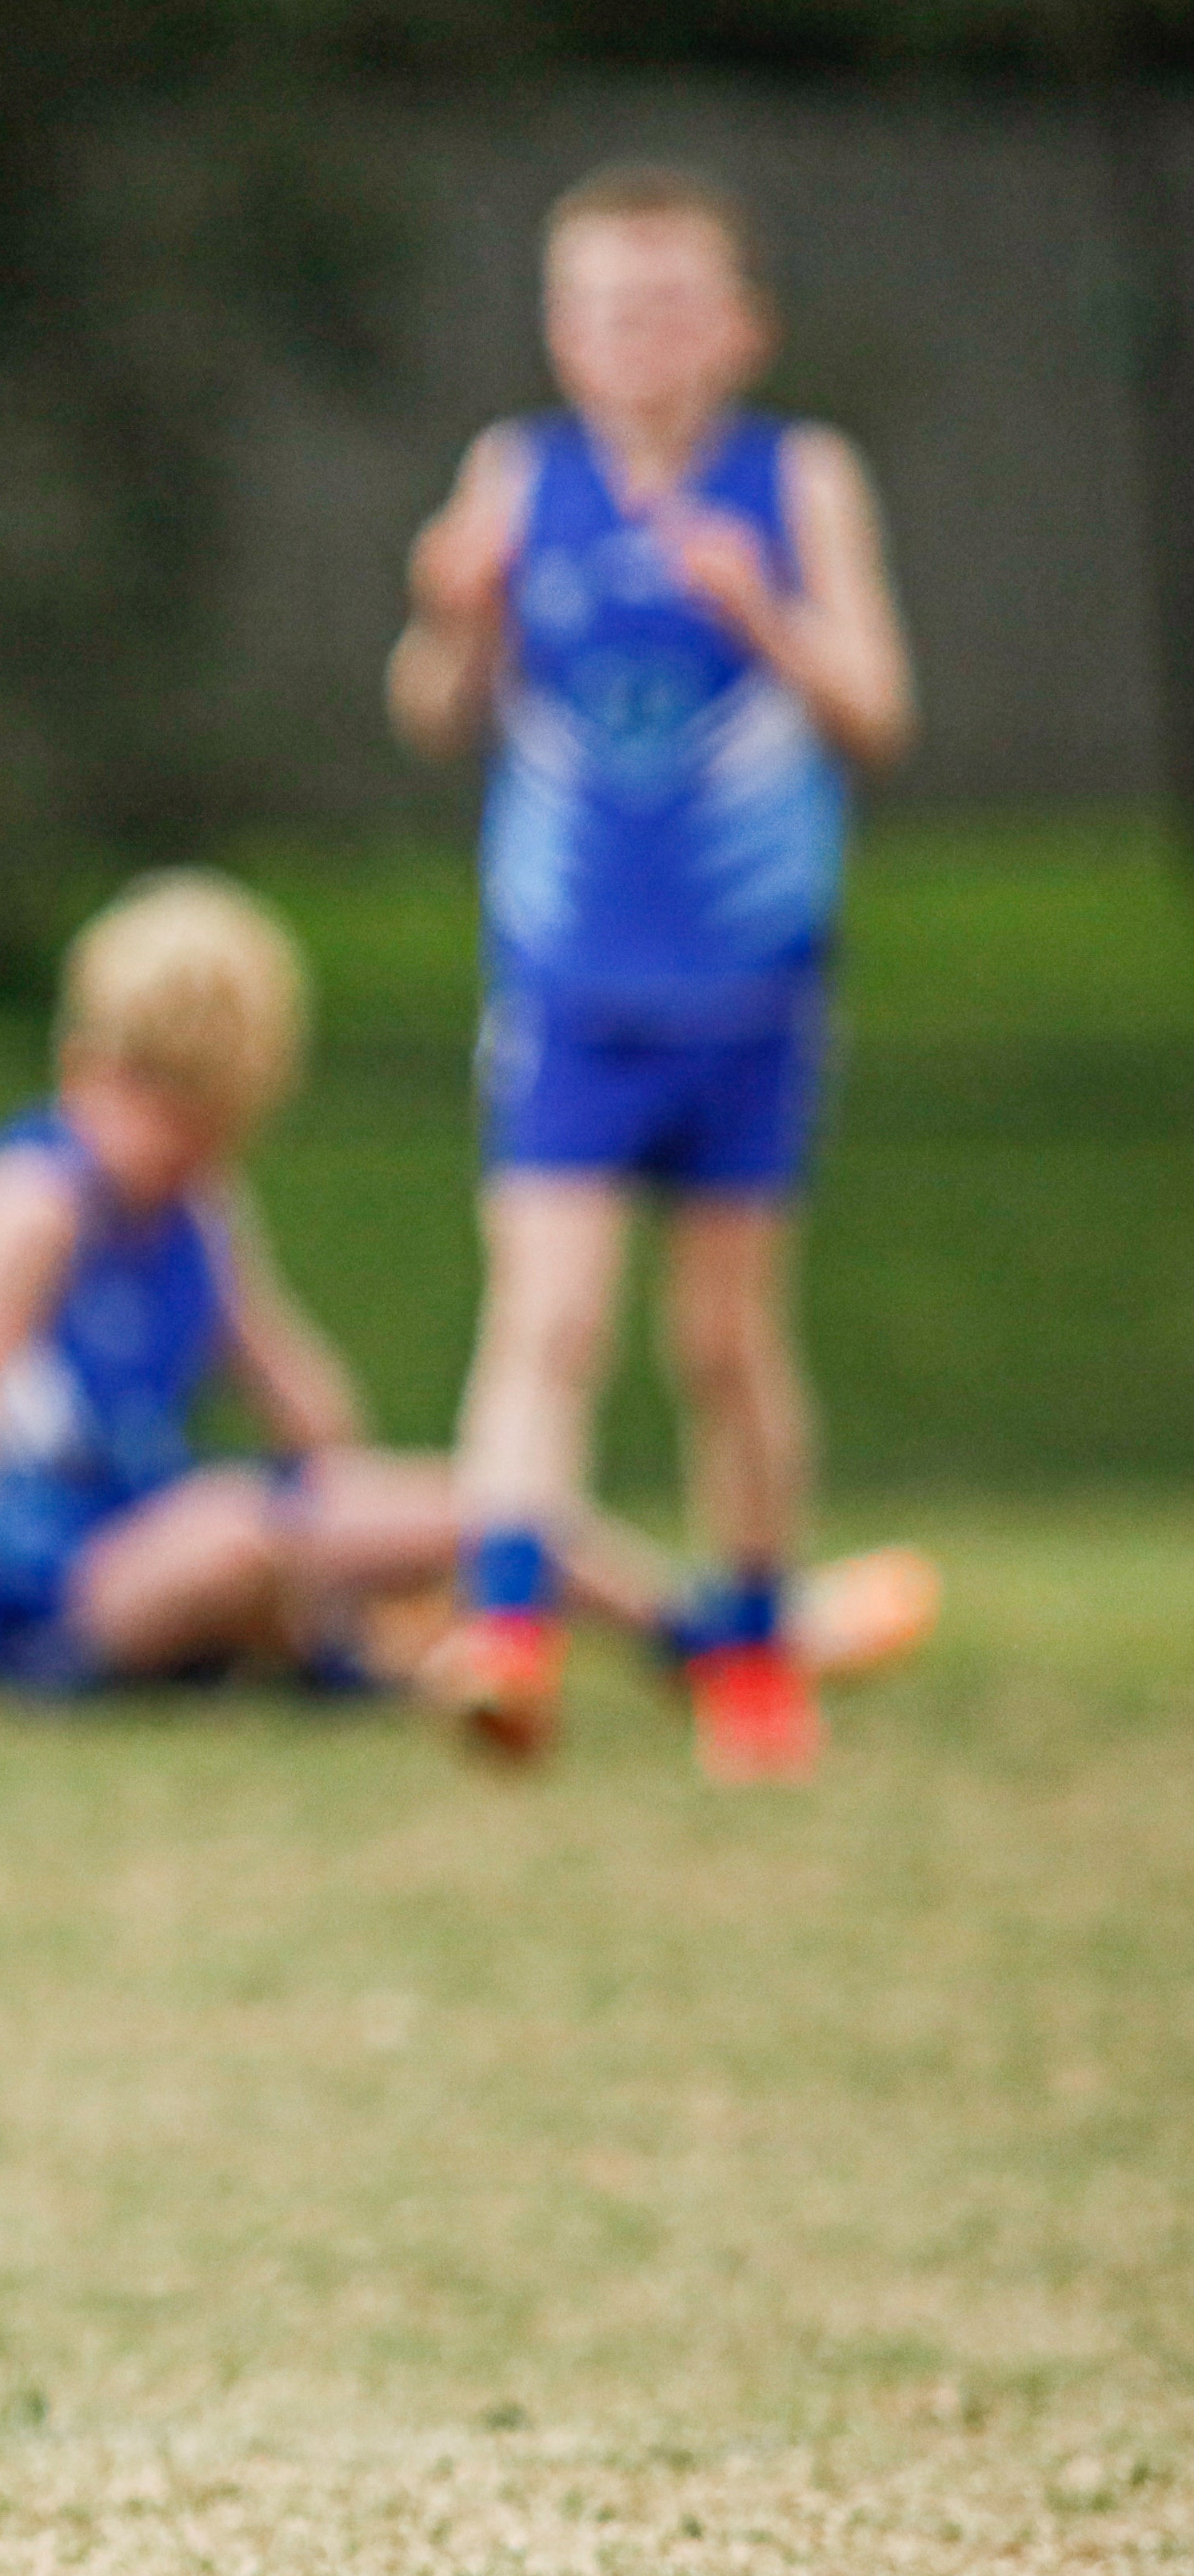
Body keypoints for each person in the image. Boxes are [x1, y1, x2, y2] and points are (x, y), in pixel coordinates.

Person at [0, 873, 930, 1736]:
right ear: (88, 1066)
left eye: (213, 1126)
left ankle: (718, 1636)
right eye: (166, 1113)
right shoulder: (23, 1211)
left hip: (186, 1526)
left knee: (477, 1500)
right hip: (46, 1601)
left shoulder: (198, 1205)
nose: (186, 1152)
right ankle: (370, 1663)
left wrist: (386, 1534)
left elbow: (305, 1409)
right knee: (237, 1537)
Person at [387, 162, 916, 1783]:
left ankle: (753, 1648)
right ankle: (508, 1631)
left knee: (721, 1343)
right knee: (544, 1317)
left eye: (673, 302)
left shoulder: (797, 480)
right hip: (562, 983)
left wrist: (763, 619)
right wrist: (450, 618)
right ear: (560, 331)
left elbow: (878, 716)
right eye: (609, 305)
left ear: (740, 327)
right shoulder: (516, 478)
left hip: (748, 987)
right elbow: (429, 713)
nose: (640, 333)